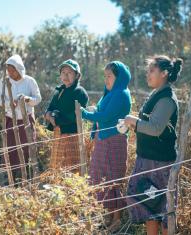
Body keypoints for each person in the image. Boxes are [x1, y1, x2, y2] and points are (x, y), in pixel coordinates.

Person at [124, 55, 182, 235]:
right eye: (147, 71)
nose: (147, 75)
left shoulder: (167, 99)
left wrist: (134, 121)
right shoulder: (155, 94)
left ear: (164, 73)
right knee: (149, 206)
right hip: (147, 159)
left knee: (162, 209)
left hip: (160, 163)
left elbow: (156, 128)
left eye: (152, 71)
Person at [81, 61, 132, 232]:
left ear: (119, 77)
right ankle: (108, 217)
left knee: (112, 178)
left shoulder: (121, 94)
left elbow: (105, 116)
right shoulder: (110, 94)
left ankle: (116, 219)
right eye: (105, 76)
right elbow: (102, 113)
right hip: (104, 141)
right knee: (99, 176)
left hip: (114, 142)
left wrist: (83, 113)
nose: (106, 79)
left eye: (109, 76)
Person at [0, 54, 42, 184]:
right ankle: (9, 178)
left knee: (26, 148)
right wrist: (9, 104)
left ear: (19, 69)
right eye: (8, 70)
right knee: (10, 149)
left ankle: (25, 177)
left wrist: (27, 99)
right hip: (11, 119)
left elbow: (38, 99)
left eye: (13, 70)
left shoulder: (29, 81)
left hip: (26, 120)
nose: (10, 73)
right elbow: (0, 99)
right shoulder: (4, 81)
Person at [45, 59, 88, 172]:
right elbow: (51, 107)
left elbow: (74, 115)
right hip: (58, 133)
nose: (65, 76)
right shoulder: (59, 91)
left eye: (69, 73)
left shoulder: (80, 92)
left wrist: (57, 120)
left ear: (77, 75)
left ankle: (72, 189)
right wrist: (48, 115)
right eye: (63, 72)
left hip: (72, 134)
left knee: (72, 166)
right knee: (57, 166)